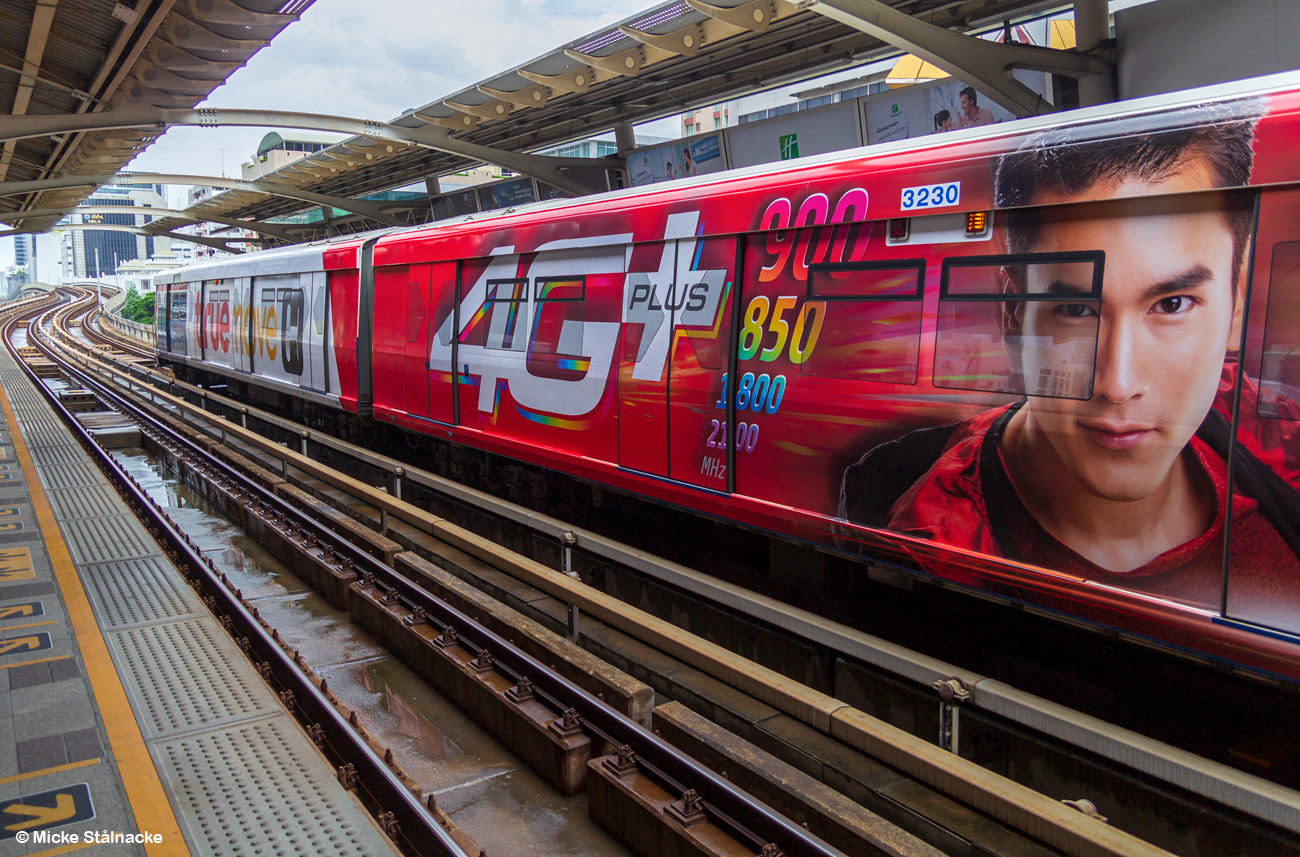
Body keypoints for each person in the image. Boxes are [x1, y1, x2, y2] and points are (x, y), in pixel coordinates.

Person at [839, 100, 1300, 614]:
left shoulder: (1280, 442)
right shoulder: (935, 552)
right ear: (1011, 311)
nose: (1118, 383)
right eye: (1076, 309)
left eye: (1172, 304)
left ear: (1236, 304)